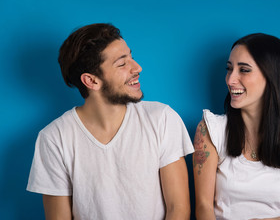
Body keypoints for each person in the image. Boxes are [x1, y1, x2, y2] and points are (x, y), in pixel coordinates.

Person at [27, 23, 194, 220]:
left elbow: (179, 209)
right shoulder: (54, 138)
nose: (137, 67)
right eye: (122, 64)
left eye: (131, 57)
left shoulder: (161, 118)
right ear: (91, 81)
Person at [193, 33, 280, 220]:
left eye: (244, 70)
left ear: (272, 77)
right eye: (229, 69)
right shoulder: (210, 130)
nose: (230, 79)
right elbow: (203, 206)